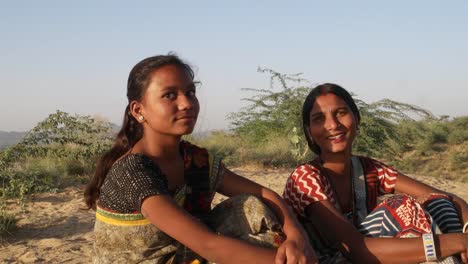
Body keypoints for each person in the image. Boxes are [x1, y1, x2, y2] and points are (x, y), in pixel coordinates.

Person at [84, 54, 316, 264]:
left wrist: (296, 236)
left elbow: (265, 194)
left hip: (184, 255)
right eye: (169, 95)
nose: (186, 103)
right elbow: (208, 245)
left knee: (251, 206)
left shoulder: (194, 159)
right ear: (138, 110)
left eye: (190, 92)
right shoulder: (133, 171)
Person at [282, 83, 468, 263]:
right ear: (309, 131)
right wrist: (459, 241)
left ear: (356, 118)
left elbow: (448, 198)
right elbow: (356, 249)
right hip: (335, 258)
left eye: (341, 113)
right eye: (319, 119)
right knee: (402, 208)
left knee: (439, 204)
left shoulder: (368, 169)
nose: (332, 125)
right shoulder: (305, 178)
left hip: (368, 255)